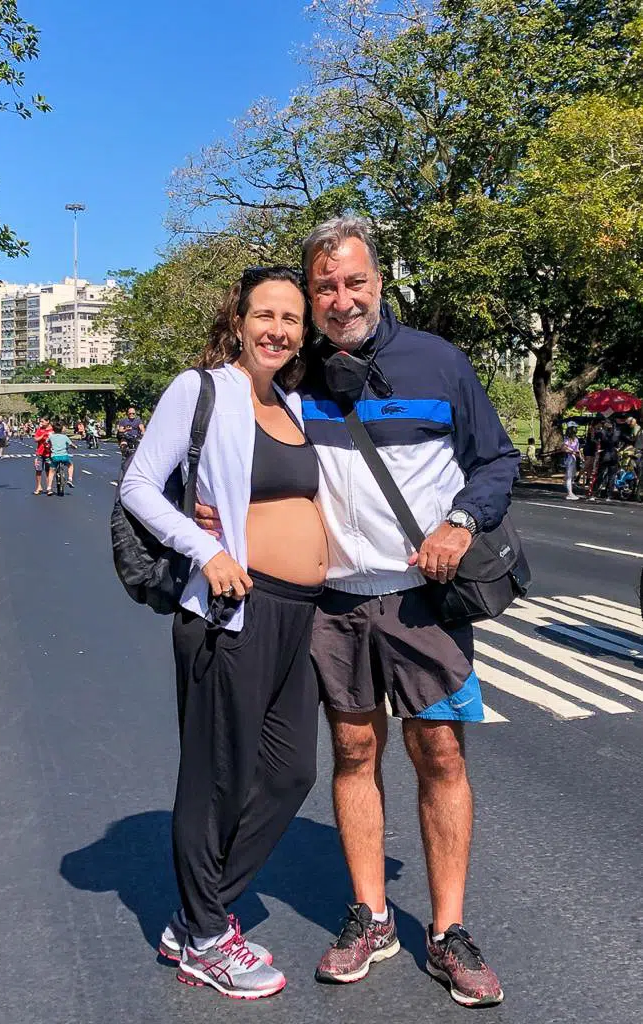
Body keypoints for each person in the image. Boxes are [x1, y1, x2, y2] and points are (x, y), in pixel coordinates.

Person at [195, 218, 518, 1006]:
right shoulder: (295, 372)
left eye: (355, 282)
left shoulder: (438, 361)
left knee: (440, 754)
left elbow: (497, 460)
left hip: (422, 599)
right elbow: (237, 442)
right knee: (352, 751)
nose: (342, 299)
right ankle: (371, 916)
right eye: (325, 287)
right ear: (311, 297)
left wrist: (461, 521)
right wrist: (210, 510)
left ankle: (448, 930)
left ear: (379, 282)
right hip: (333, 602)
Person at [120, 266, 326, 1000]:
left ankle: (197, 913)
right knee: (217, 777)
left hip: (299, 614)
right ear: (237, 321)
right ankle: (207, 938)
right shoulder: (201, 389)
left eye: (292, 319)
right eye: (265, 314)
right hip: (232, 609)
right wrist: (205, 549)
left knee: (292, 771)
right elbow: (139, 485)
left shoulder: (294, 404)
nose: (278, 329)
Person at [45, 420, 76, 493]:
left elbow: (46, 442)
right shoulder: (65, 437)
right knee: (70, 465)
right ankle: (70, 479)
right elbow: (71, 444)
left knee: (51, 471)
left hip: (55, 457)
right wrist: (74, 447)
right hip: (64, 456)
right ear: (61, 429)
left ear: (53, 430)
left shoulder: (51, 436)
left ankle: (49, 487)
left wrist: (49, 445)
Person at [32, 416, 53, 495]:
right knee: (38, 470)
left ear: (47, 421)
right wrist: (43, 435)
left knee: (48, 471)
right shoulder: (40, 429)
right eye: (40, 421)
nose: (41, 423)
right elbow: (35, 439)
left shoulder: (52, 430)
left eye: (42, 421)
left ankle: (49, 488)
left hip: (49, 454)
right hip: (40, 453)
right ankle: (38, 487)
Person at [562, 423, 580, 500]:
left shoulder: (575, 439)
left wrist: (579, 455)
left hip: (573, 458)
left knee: (572, 475)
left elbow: (577, 450)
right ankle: (570, 493)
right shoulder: (567, 439)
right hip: (569, 458)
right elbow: (563, 448)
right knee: (569, 476)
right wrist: (571, 451)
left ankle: (567, 486)